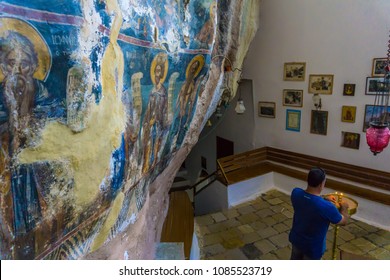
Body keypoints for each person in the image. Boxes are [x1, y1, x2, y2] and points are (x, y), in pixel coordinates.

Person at [289, 167, 349, 260]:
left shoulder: (296, 193)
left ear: (308, 180)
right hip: (312, 248)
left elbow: (309, 200)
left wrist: (323, 198)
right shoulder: (327, 207)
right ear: (321, 184)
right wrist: (344, 208)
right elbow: (343, 221)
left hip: (296, 240)